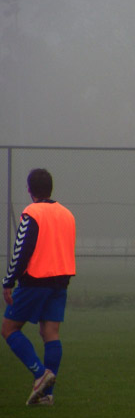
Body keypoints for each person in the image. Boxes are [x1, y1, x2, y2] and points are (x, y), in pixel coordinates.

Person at [2, 168, 76, 405]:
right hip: (61, 280)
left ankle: (40, 374)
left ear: (29, 189)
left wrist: (8, 281)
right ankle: (47, 395)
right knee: (50, 333)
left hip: (35, 280)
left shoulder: (31, 213)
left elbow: (22, 250)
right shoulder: (67, 214)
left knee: (9, 329)